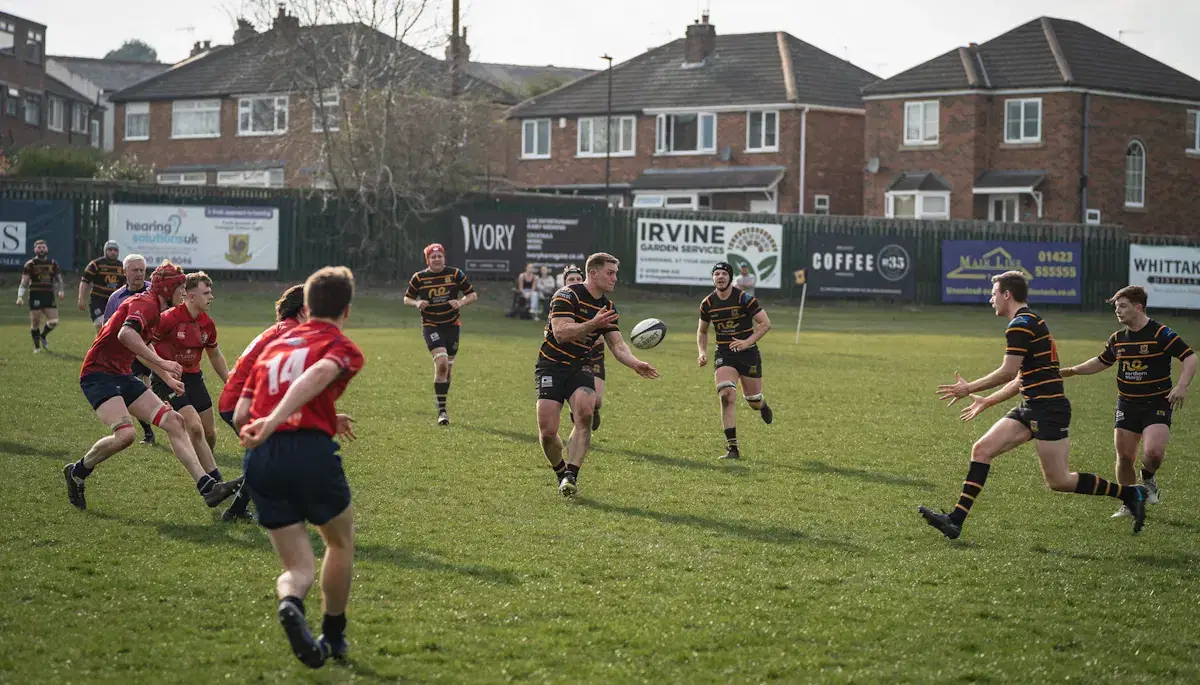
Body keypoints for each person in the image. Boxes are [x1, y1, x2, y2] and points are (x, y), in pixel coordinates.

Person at [922, 270, 1149, 540]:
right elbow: (1020, 378)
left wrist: (967, 388)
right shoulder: (1029, 321)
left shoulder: (1020, 325)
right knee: (982, 449)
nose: (990, 299)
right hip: (1031, 406)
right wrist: (988, 400)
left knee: (1059, 481)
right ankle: (955, 520)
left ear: (1007, 295)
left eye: (994, 294)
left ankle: (1130, 493)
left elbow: (1007, 372)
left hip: (1049, 409)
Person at [236, 266, 363, 669]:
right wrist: (280, 421)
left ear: (305, 306)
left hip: (262, 460)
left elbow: (242, 412)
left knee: (297, 567)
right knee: (339, 542)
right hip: (307, 453)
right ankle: (335, 635)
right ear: (346, 310)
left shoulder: (275, 347)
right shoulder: (342, 346)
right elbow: (320, 373)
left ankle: (291, 602)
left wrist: (276, 422)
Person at [65, 260, 241, 512]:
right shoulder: (145, 304)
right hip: (98, 374)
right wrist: (163, 363)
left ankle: (208, 487)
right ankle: (77, 471)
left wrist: (166, 376)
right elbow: (126, 335)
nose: (183, 293)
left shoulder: (156, 310)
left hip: (122, 374)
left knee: (174, 422)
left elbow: (142, 346)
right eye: (180, 288)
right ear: (169, 289)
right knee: (126, 435)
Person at [1061, 285, 1196, 519]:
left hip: (1157, 402)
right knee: (1124, 457)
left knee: (1153, 454)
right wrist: (1073, 370)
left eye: (1122, 306)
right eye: (1116, 307)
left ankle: (1149, 478)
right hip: (1127, 404)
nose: (1118, 311)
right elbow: (1102, 361)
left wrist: (1182, 386)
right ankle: (1129, 501)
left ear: (1138, 307)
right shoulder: (1118, 339)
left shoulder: (1160, 334)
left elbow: (1190, 357)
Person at [536, 253, 659, 496]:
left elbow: (617, 345)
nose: (615, 278)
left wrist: (635, 363)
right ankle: (561, 471)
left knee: (584, 414)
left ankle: (571, 474)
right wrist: (593, 324)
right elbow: (561, 333)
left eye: (615, 273)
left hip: (581, 366)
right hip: (551, 366)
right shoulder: (566, 295)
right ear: (593, 273)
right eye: (610, 273)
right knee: (548, 434)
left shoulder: (608, 307)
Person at [217, 284, 307, 521]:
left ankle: (236, 509)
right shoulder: (291, 332)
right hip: (242, 404)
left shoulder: (287, 329)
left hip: (239, 401)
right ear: (304, 309)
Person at [149, 272, 230, 490]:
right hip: (168, 379)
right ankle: (214, 483)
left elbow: (214, 355)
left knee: (210, 433)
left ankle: (204, 468)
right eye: (206, 292)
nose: (211, 297)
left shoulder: (207, 323)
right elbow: (145, 344)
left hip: (194, 378)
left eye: (210, 292)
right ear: (191, 296)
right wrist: (162, 370)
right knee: (194, 426)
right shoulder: (168, 318)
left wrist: (229, 382)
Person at [697, 261, 774, 460]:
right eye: (717, 274)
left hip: (748, 354)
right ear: (713, 278)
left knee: (753, 400)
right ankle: (733, 449)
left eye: (724, 274)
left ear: (730, 277)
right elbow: (702, 331)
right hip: (724, 353)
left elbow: (765, 324)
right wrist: (702, 352)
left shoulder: (744, 298)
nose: (720, 277)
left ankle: (762, 405)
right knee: (726, 394)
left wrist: (746, 342)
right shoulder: (707, 303)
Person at [402, 243, 477, 426]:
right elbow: (407, 298)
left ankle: (442, 403)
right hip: (431, 325)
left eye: (440, 256)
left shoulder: (455, 274)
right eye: (433, 257)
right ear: (428, 260)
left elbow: (472, 295)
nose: (437, 259)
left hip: (452, 326)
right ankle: (442, 411)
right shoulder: (419, 278)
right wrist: (416, 303)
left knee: (448, 369)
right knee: (442, 362)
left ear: (444, 257)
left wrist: (460, 302)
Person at [103, 254, 155, 445]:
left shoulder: (154, 291)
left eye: (142, 270)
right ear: (125, 272)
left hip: (154, 349)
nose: (139, 274)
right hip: (129, 353)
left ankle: (178, 425)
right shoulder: (116, 298)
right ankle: (148, 431)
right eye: (134, 270)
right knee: (131, 393)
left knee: (159, 389)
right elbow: (106, 328)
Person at [563, 265, 604, 431]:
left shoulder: (595, 300)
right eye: (571, 279)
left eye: (578, 279)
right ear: (564, 283)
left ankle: (588, 410)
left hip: (594, 354)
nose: (575, 282)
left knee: (597, 401)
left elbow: (603, 334)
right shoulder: (560, 302)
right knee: (580, 400)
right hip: (568, 356)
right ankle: (578, 419)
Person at [16, 239, 64, 353]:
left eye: (43, 247)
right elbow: (24, 282)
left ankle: (43, 336)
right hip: (35, 295)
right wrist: (20, 296)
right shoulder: (30, 264)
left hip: (48, 295)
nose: (41, 249)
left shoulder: (53, 263)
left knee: (54, 321)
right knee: (35, 322)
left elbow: (59, 280)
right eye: (39, 247)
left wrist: (61, 290)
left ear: (47, 249)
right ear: (35, 250)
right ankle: (37, 347)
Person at [79, 240, 125, 332]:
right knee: (101, 324)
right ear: (105, 251)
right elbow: (85, 281)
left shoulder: (122, 266)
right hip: (98, 300)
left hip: (114, 301)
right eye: (110, 250)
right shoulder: (96, 264)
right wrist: (81, 298)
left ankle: (102, 345)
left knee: (113, 328)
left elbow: (126, 284)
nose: (113, 252)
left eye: (115, 250)